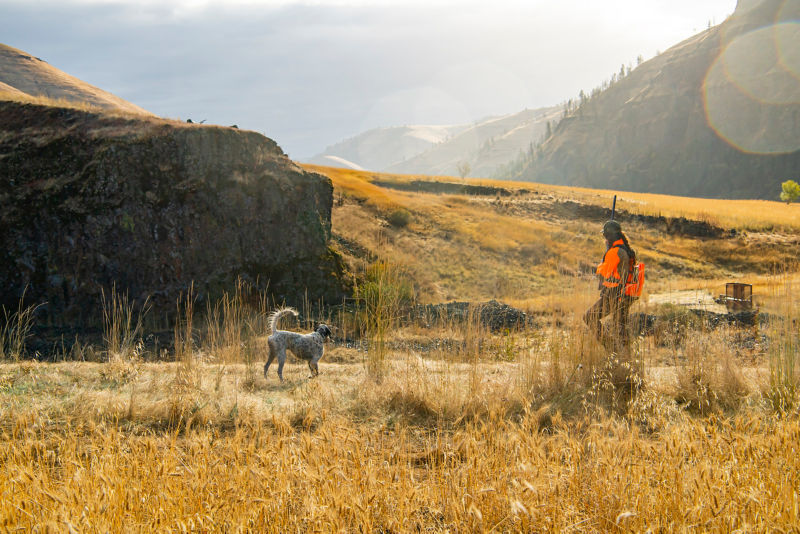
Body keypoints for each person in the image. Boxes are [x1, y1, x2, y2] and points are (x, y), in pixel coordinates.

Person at [584, 220, 636, 353]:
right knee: (621, 327)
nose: (604, 238)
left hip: (614, 294)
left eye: (605, 235)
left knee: (589, 317)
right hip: (625, 294)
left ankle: (611, 349)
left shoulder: (615, 251)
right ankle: (625, 356)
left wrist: (604, 258)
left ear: (610, 236)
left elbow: (603, 273)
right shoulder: (627, 249)